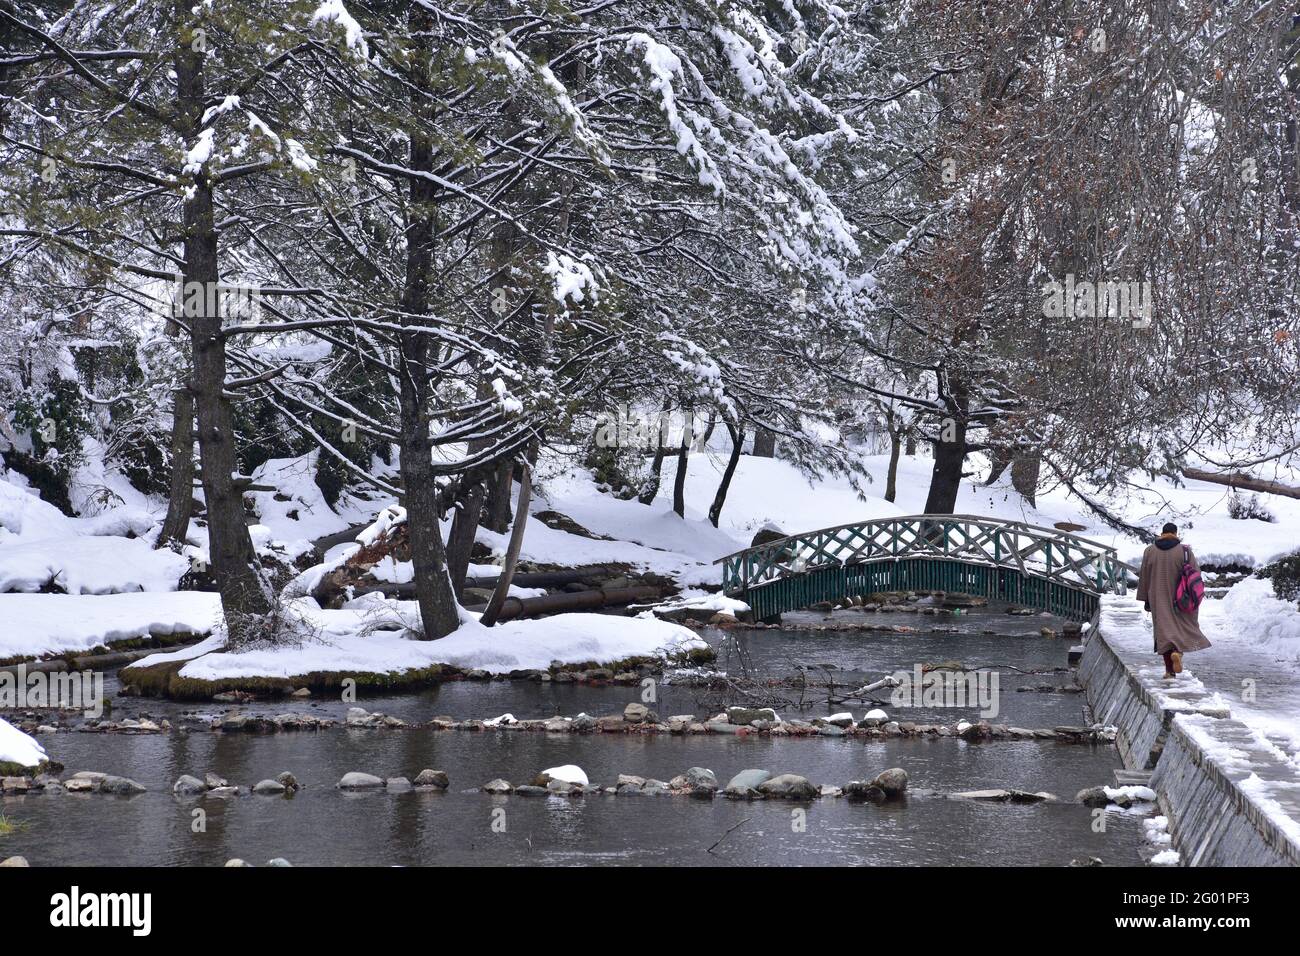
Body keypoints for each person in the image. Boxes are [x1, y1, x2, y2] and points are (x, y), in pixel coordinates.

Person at [1135, 522, 1211, 678]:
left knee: (1163, 634)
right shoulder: (1184, 551)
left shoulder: (1150, 551)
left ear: (1161, 533)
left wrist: (1145, 599)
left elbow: (1144, 576)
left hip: (1158, 598)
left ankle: (1169, 672)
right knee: (1182, 628)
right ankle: (1178, 652)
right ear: (1176, 534)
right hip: (1181, 599)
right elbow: (1195, 574)